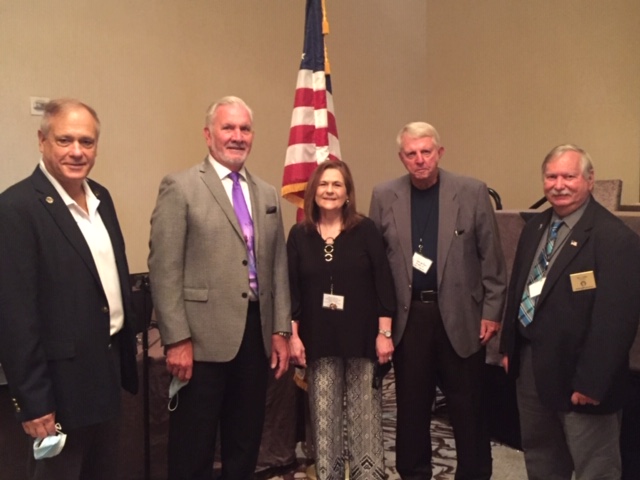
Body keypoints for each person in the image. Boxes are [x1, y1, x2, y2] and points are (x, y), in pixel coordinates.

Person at [148, 96, 291, 480]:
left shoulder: (266, 193)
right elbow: (164, 269)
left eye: (244, 129)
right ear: (208, 135)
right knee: (193, 444)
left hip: (255, 336)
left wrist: (281, 330)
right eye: (228, 128)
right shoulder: (180, 187)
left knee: (245, 441)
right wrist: (176, 338)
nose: (237, 136)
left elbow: (277, 266)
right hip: (200, 340)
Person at [0, 98, 139, 480]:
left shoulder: (101, 198)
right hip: (57, 390)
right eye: (65, 140)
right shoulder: (15, 209)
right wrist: (33, 401)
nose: (77, 151)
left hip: (105, 374)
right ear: (42, 140)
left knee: (102, 471)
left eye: (87, 142)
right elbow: (15, 317)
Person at [369, 122, 507, 480]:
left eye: (426, 152)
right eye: (411, 154)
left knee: (468, 407)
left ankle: (474, 473)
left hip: (463, 316)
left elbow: (492, 260)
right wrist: (381, 323)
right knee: (411, 407)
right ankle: (414, 473)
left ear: (439, 153)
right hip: (409, 318)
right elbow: (378, 266)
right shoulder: (384, 195)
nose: (420, 160)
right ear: (402, 158)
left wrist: (492, 312)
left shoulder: (472, 191)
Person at [500, 144, 640, 480]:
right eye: (551, 176)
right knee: (541, 457)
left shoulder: (615, 239)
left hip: (582, 376)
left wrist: (593, 382)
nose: (558, 184)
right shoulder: (535, 228)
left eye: (569, 176)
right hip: (532, 368)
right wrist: (508, 346)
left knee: (595, 466)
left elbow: (616, 321)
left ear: (590, 181)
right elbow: (519, 288)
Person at [287, 160, 395, 479]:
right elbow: (291, 290)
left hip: (362, 339)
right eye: (323, 184)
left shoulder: (366, 230)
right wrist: (293, 335)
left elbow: (383, 285)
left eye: (337, 185)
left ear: (348, 193)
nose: (330, 191)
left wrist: (384, 333)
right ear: (312, 192)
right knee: (324, 420)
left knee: (365, 418)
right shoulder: (299, 234)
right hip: (318, 341)